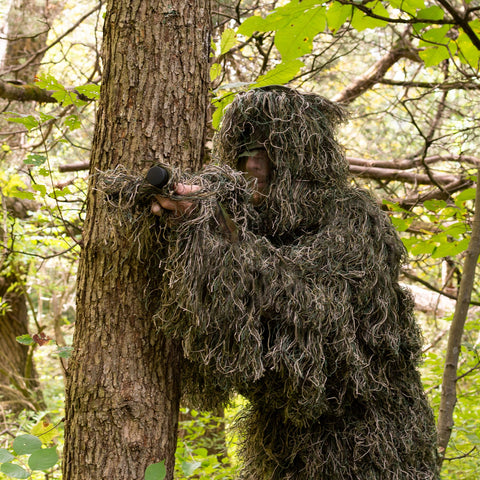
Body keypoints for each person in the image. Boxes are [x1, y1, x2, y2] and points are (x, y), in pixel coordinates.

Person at [151, 86, 439, 479]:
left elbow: (313, 317)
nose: (252, 164)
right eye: (244, 150)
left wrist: (217, 233)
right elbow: (223, 348)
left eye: (267, 151)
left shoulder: (354, 220)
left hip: (371, 446)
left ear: (302, 157)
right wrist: (189, 227)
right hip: (282, 451)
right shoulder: (254, 224)